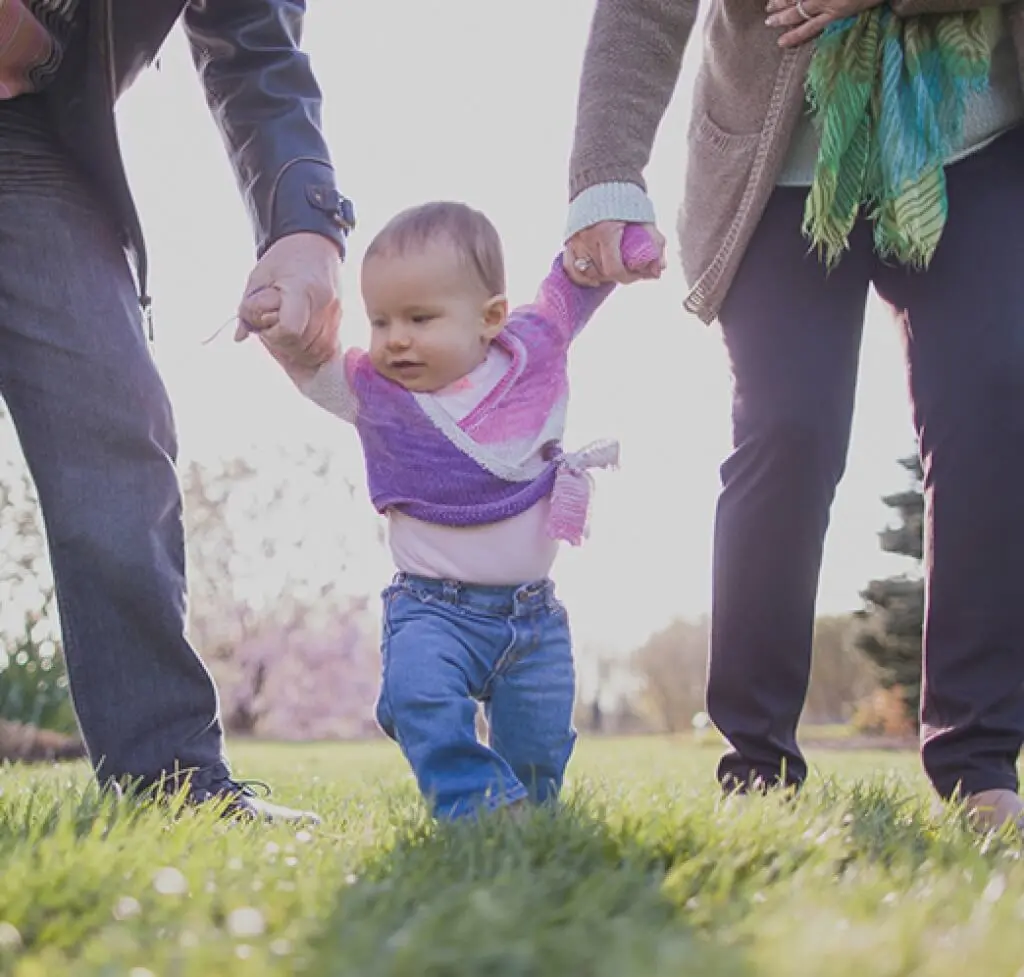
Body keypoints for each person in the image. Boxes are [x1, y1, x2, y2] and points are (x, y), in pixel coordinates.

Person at [563, 0, 1024, 831]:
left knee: (992, 408)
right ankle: (757, 766)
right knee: (788, 429)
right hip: (780, 165)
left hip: (974, 138)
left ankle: (979, 763)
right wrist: (606, 170)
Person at [0, 1, 355, 822]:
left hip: (25, 135)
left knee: (114, 412)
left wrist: (304, 228)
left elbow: (257, 46)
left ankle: (167, 779)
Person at [242, 201, 659, 819]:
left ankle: (526, 820)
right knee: (423, 695)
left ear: (490, 317)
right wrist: (282, 327)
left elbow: (573, 284)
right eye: (380, 322)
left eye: (419, 318)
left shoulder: (530, 353)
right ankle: (472, 801)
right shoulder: (378, 394)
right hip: (431, 609)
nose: (396, 339)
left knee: (540, 750)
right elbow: (316, 364)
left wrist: (620, 250)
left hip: (533, 616)